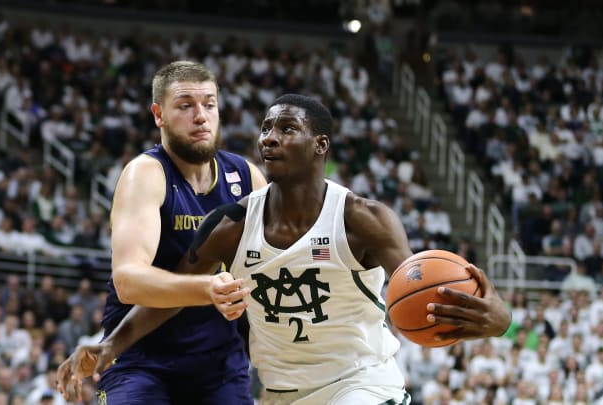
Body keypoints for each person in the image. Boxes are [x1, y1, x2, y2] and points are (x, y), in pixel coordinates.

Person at [57, 95, 511, 404]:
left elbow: (419, 288)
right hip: (280, 393)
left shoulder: (363, 220)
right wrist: (110, 345)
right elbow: (172, 298)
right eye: (266, 128)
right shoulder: (232, 225)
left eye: (286, 128)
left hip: (360, 385)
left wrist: (498, 320)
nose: (269, 138)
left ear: (320, 145)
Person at [82, 60, 267, 404]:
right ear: (158, 114)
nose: (201, 116)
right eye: (185, 106)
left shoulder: (247, 178)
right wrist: (207, 287)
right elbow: (128, 280)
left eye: (209, 105)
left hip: (219, 366)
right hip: (142, 359)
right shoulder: (146, 174)